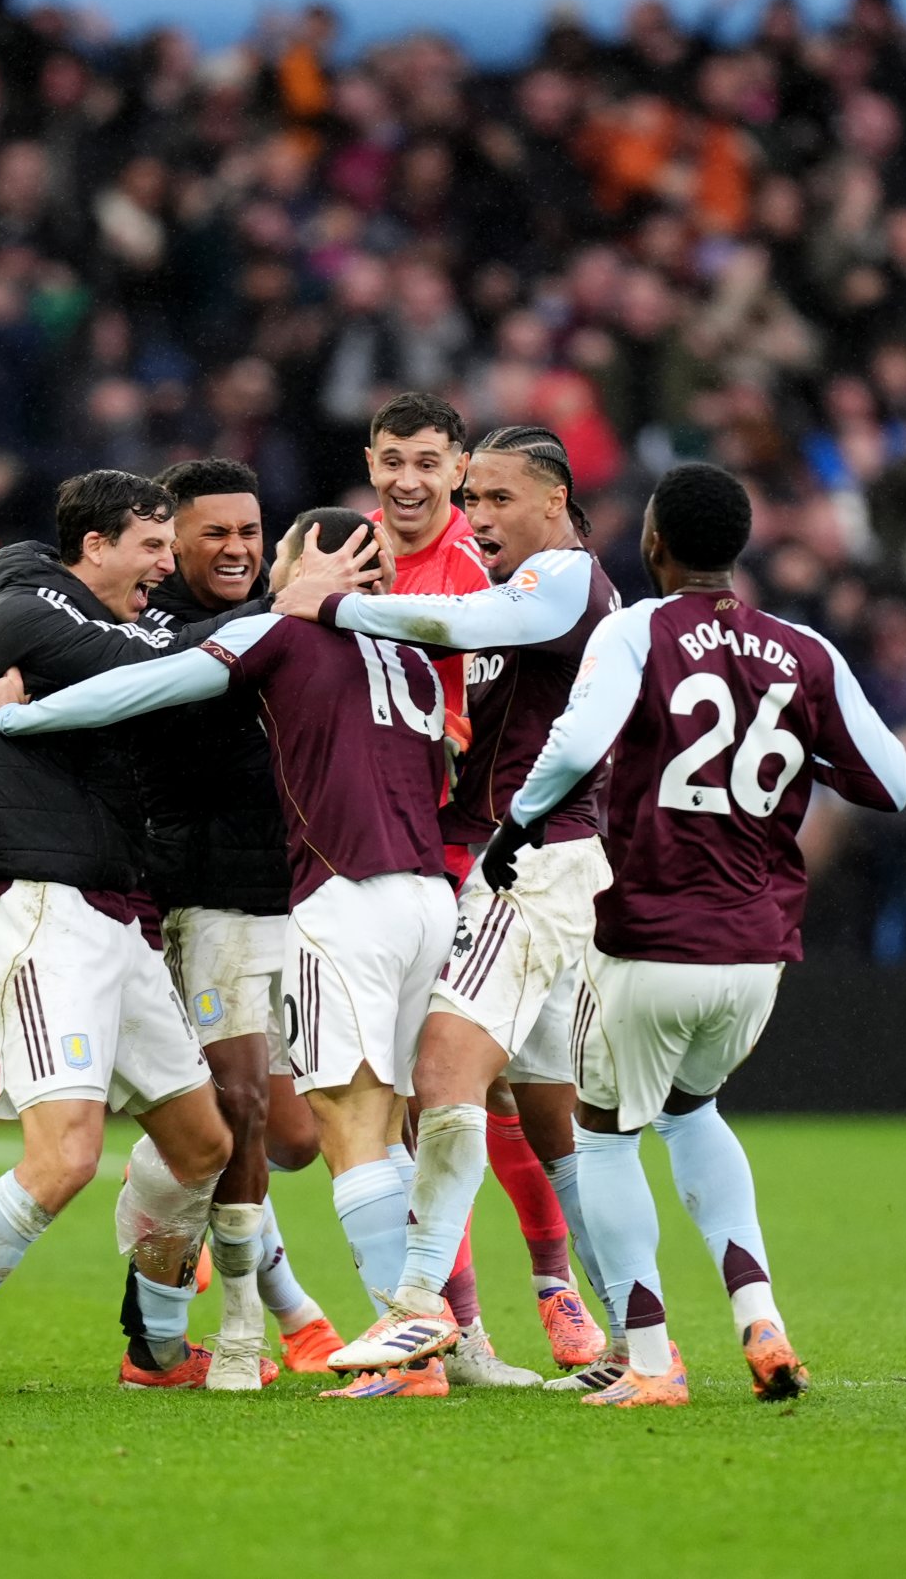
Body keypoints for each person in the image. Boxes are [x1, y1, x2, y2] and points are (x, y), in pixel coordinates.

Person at [0, 507, 461, 1400]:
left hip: (346, 895)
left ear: (317, 565)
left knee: (347, 1131)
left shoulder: (283, 631)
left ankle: (407, 1333)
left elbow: (144, 686)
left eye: (281, 552)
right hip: (431, 896)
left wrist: (20, 718)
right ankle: (415, 1344)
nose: (266, 566)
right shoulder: (412, 651)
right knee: (387, 1121)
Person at [485, 462, 906, 1406]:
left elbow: (577, 741)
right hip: (756, 953)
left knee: (603, 1138)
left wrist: (515, 827)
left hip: (648, 935)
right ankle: (761, 1317)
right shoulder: (804, 649)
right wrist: (802, 747)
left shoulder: (635, 629)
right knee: (692, 1111)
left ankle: (646, 1363)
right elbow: (891, 782)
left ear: (653, 542)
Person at [0, 471, 231, 1400]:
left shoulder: (87, 617)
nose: (166, 563)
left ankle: (153, 1351)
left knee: (200, 1144)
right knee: (65, 1156)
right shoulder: (29, 613)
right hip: (41, 910)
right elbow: (155, 662)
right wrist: (257, 634)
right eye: (151, 545)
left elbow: (151, 652)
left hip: (114, 917)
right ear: (96, 547)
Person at [276, 425, 618, 1382]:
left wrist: (331, 605)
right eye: (478, 501)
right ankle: (637, 1335)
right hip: (495, 858)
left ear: (555, 500)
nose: (479, 517)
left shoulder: (558, 583)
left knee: (444, 1071)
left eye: (494, 498)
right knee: (550, 1117)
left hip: (528, 860)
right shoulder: (508, 586)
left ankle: (426, 1308)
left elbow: (464, 629)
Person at [355, 390, 571, 1385]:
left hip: (491, 855)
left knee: (516, 1084)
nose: (409, 481)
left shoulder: (498, 573)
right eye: (390, 459)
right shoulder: (339, 555)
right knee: (423, 1096)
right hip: (385, 857)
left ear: (454, 472)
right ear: (370, 463)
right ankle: (465, 1329)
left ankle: (556, 1287)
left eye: (428, 463)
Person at [138, 459, 345, 1385]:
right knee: (244, 1115)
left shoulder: (282, 629)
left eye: (251, 532)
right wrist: (287, 608)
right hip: (208, 898)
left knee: (289, 1137)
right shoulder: (160, 631)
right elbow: (193, 672)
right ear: (172, 541)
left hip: (292, 898)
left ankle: (159, 1207)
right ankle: (233, 1335)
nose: (236, 548)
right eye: (214, 532)